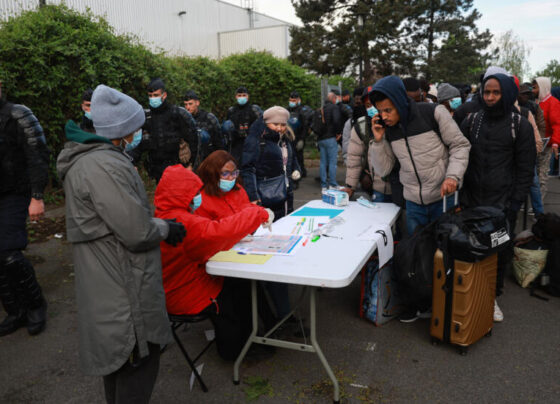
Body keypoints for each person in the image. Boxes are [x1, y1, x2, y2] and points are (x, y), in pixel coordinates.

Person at [57, 85, 186, 403]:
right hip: (123, 290)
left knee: (120, 373)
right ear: (123, 131)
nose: (140, 132)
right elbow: (136, 230)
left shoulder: (94, 161)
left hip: (109, 286)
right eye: (137, 127)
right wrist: (167, 227)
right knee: (134, 370)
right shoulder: (105, 166)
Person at [154, 164, 273, 360]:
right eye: (193, 192)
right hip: (186, 293)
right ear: (182, 194)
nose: (197, 196)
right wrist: (258, 214)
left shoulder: (162, 217)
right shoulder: (184, 222)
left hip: (171, 287)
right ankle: (234, 352)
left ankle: (251, 337)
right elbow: (218, 232)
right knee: (238, 288)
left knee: (240, 284)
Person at [460, 73, 536, 322]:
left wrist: (514, 203)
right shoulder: (472, 120)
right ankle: (469, 292)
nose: (490, 97)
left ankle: (491, 297)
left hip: (502, 204)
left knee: (498, 252)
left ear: (506, 93)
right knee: (469, 247)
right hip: (472, 199)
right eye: (486, 92)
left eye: (496, 92)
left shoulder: (520, 125)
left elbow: (525, 169)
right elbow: (459, 153)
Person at [369, 75, 471, 236]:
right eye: (380, 111)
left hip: (443, 199)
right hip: (413, 205)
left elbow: (460, 145)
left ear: (400, 103)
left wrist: (453, 176)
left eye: (388, 110)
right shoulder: (388, 130)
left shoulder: (433, 113)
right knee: (418, 253)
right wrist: (378, 141)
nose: (384, 116)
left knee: (443, 254)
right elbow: (383, 170)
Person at [0, 80, 49, 337]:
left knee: (8, 252)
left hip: (15, 194)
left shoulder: (17, 114)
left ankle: (35, 304)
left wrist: (37, 196)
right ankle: (15, 311)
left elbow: (37, 154)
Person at [130, 78, 199, 182]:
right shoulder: (146, 116)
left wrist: (191, 165)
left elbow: (194, 140)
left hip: (178, 168)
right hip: (156, 170)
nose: (153, 98)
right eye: (150, 96)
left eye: (156, 95)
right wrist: (132, 163)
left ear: (164, 95)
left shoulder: (178, 114)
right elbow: (136, 143)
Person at [242, 106, 301, 219]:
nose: (279, 128)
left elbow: (291, 157)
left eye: (283, 125)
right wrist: (253, 195)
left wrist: (296, 168)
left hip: (286, 192)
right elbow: (248, 169)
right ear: (267, 123)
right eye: (275, 124)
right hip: (265, 194)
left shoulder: (285, 139)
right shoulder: (256, 140)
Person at [343, 87, 391, 201]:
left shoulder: (395, 122)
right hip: (378, 188)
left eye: (375, 104)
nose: (373, 108)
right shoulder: (361, 126)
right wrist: (351, 186)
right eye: (368, 105)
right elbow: (354, 158)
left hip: (401, 187)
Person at [196, 150, 253, 221]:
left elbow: (248, 209)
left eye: (234, 173)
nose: (231, 177)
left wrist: (261, 212)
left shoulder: (237, 188)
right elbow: (209, 229)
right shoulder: (201, 200)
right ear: (212, 174)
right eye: (225, 174)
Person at [183, 90, 223, 161]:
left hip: (208, 157)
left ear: (197, 103)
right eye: (186, 104)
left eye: (190, 104)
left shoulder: (209, 118)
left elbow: (219, 142)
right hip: (190, 158)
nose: (188, 107)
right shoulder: (183, 120)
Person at [226, 86, 262, 165]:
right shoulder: (231, 111)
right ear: (236, 96)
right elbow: (228, 128)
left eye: (244, 95)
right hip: (236, 144)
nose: (241, 97)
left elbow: (260, 127)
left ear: (248, 96)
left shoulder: (254, 110)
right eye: (239, 95)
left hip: (251, 143)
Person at [533, 77, 560, 178]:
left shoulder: (553, 102)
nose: (533, 90)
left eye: (535, 88)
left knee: (542, 176)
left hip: (547, 145)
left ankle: (541, 194)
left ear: (542, 87)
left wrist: (555, 143)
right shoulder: (537, 102)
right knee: (535, 174)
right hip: (536, 143)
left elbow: (557, 124)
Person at [316, 91, 343, 191]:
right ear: (333, 99)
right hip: (330, 138)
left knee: (323, 162)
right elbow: (336, 121)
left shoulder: (321, 109)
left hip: (321, 139)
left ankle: (324, 185)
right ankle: (332, 184)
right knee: (332, 162)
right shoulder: (334, 107)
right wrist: (338, 133)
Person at [287, 91, 312, 179]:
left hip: (298, 137)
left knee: (298, 156)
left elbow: (305, 126)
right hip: (289, 137)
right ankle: (296, 172)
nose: (292, 102)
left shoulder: (302, 111)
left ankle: (300, 172)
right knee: (290, 156)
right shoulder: (287, 110)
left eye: (294, 100)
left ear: (298, 100)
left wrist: (302, 139)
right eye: (291, 100)